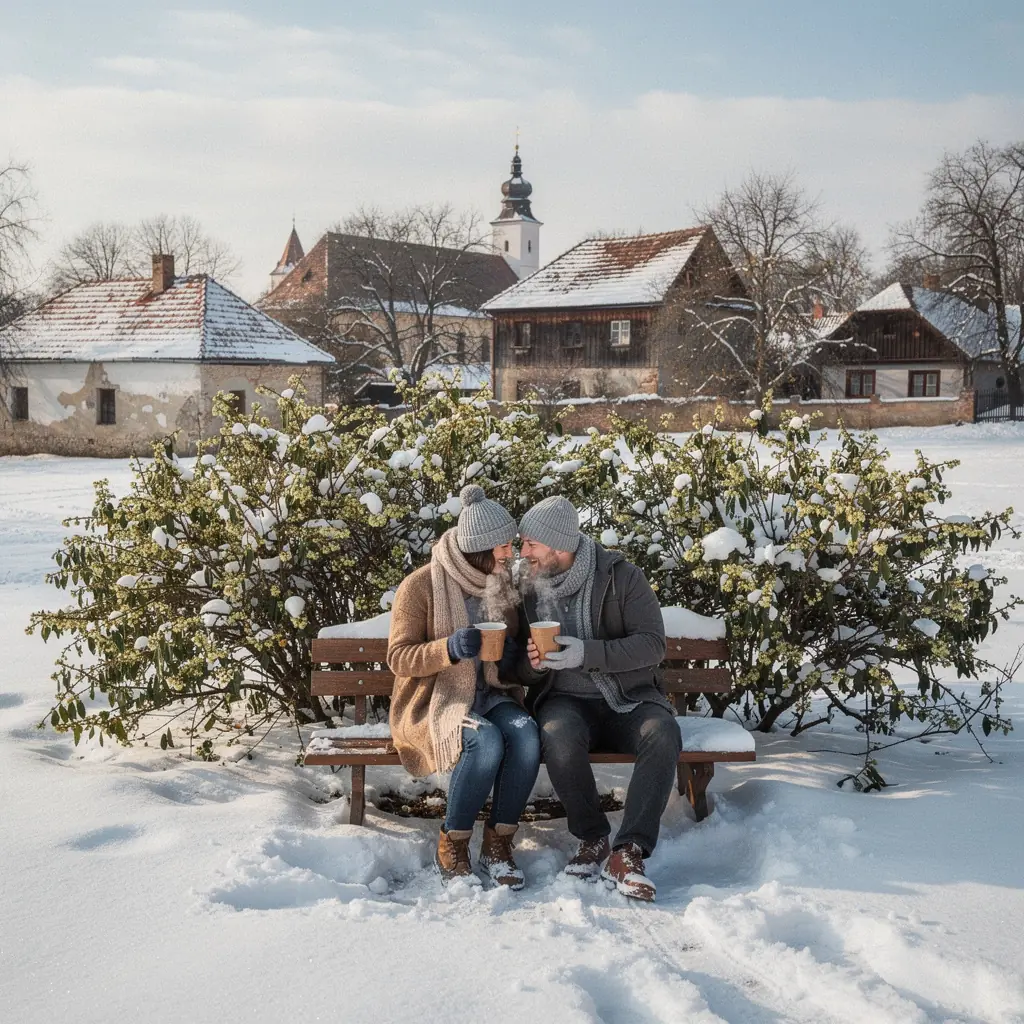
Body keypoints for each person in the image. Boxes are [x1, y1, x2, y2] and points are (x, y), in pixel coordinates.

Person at [517, 495, 678, 902]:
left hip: (628, 697)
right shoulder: (526, 586)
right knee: (557, 734)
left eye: (531, 544)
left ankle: (629, 851)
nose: (523, 552)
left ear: (559, 545)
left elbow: (652, 645)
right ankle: (593, 838)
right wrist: (533, 665)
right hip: (565, 699)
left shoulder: (621, 577)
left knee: (662, 732)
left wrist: (587, 653)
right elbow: (514, 664)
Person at [388, 485, 540, 889]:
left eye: (510, 544)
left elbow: (510, 655)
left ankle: (498, 844)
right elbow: (399, 657)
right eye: (502, 546)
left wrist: (511, 657)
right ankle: (452, 841)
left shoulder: (501, 584)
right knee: (486, 741)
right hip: (436, 701)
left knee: (526, 735)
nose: (511, 552)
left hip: (490, 694)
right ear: (478, 550)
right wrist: (448, 649)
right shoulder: (420, 586)